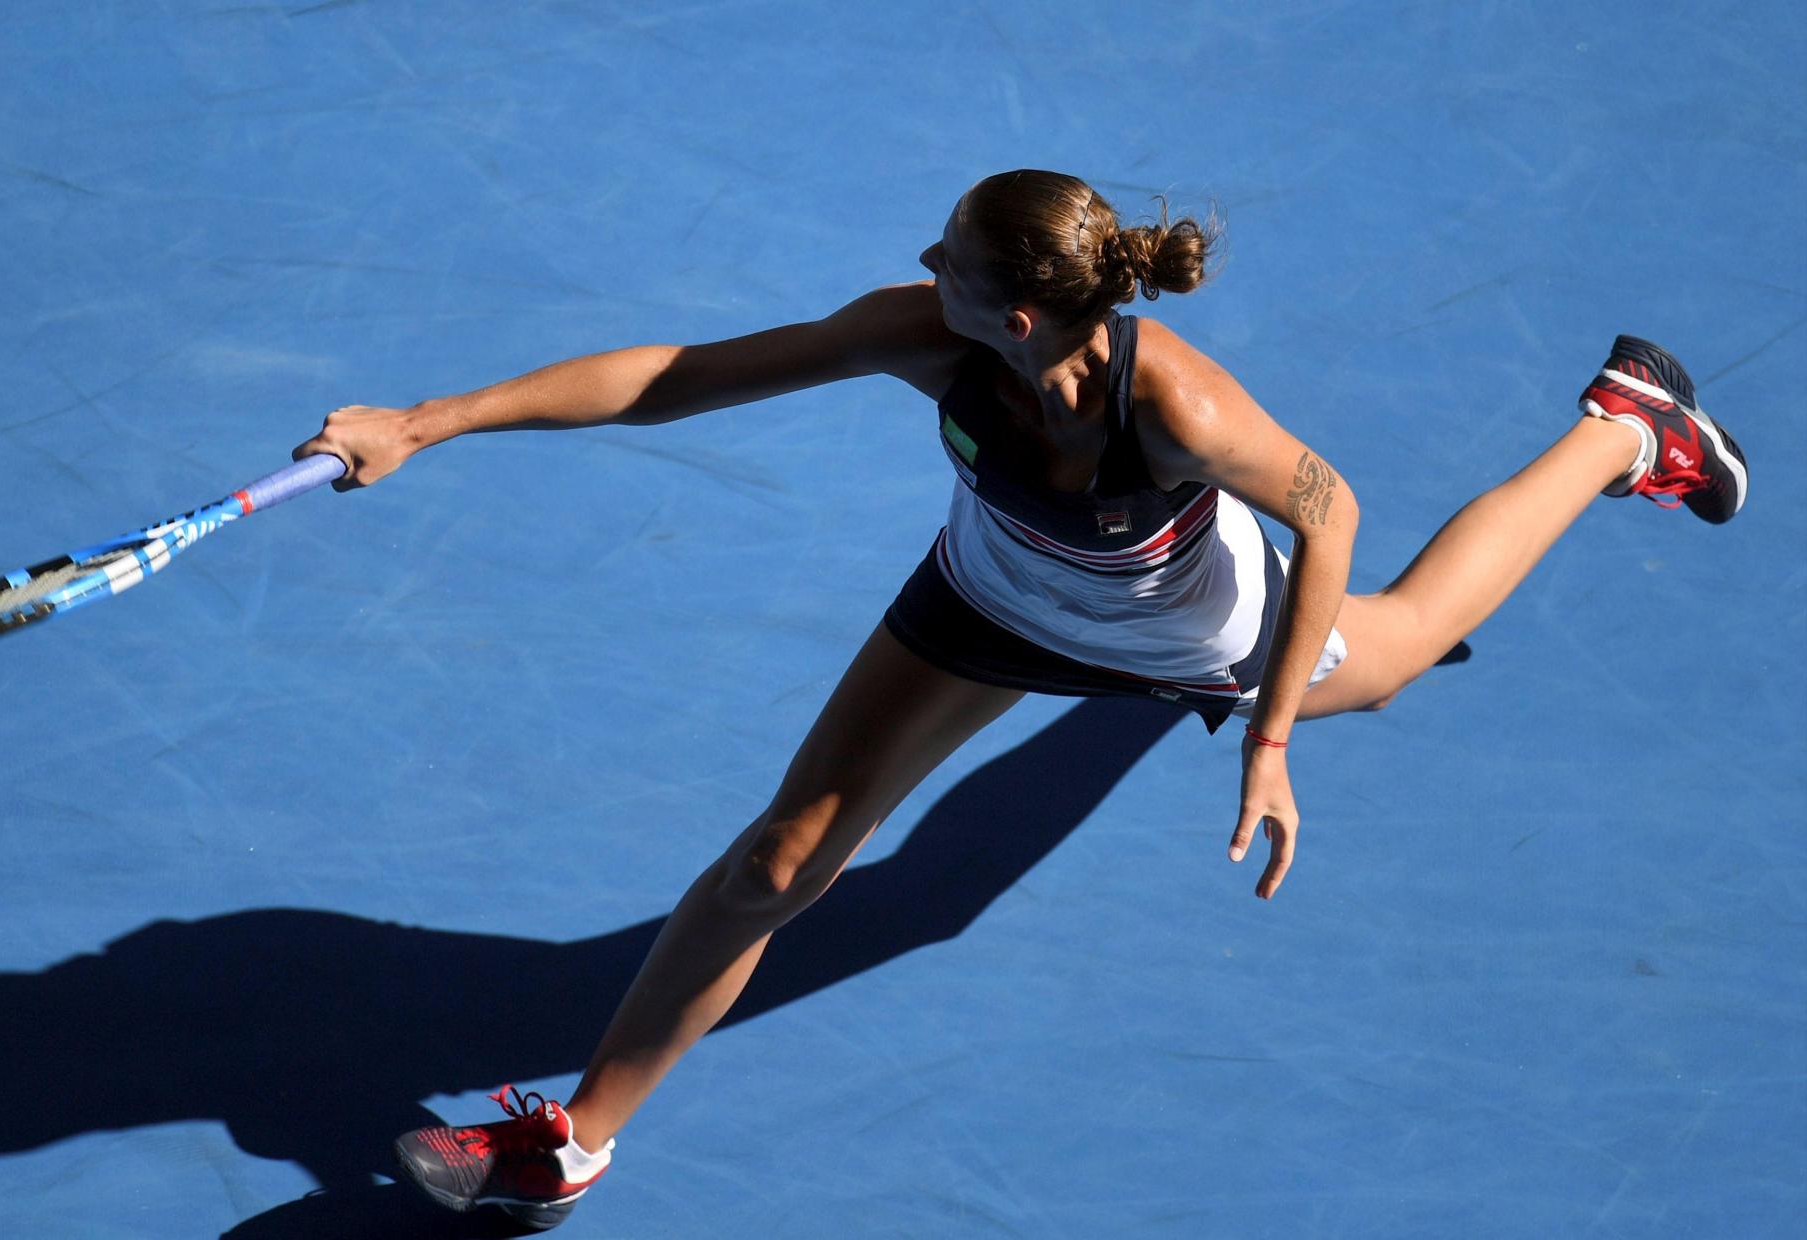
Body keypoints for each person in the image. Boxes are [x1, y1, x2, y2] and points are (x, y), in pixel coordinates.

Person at [292, 168, 1747, 1229]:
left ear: (1031, 308)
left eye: (953, 262)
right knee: (777, 864)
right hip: (986, 604)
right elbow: (682, 376)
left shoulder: (1178, 406)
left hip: (1189, 636)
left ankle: (1625, 432)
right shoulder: (926, 330)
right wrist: (426, 423)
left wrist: (1274, 737)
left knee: (1406, 641)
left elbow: (1335, 510)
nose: (923, 262)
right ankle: (577, 1141)